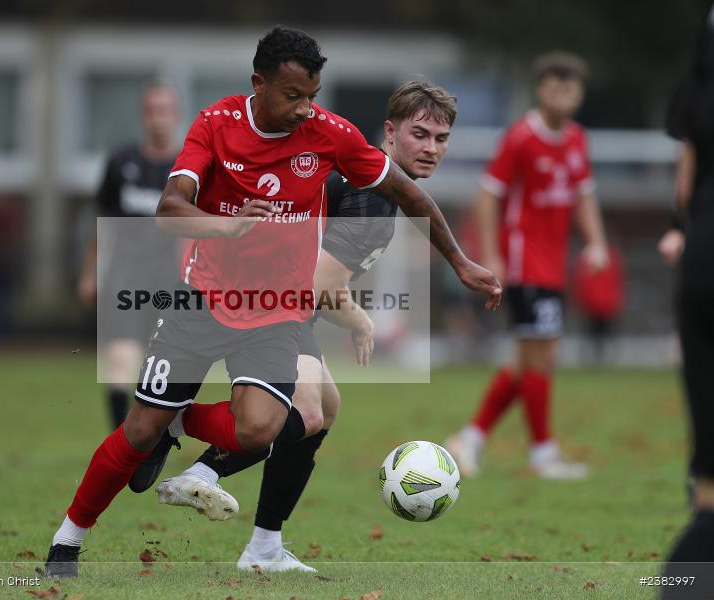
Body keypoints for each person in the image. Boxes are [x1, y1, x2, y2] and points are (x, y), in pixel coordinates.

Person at [45, 26, 501, 579]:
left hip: (276, 311)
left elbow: (407, 192)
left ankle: (204, 463)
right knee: (140, 429)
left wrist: (459, 261)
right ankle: (68, 540)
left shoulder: (330, 135)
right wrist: (225, 225)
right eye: (293, 96)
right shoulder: (216, 124)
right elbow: (170, 208)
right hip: (204, 298)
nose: (305, 109)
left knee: (266, 426)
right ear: (258, 84)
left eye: (312, 96)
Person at [153, 81, 462, 573]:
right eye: (419, 134)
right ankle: (194, 453)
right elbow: (312, 287)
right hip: (266, 306)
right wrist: (359, 317)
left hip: (270, 300)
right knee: (308, 414)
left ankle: (264, 547)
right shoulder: (372, 199)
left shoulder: (368, 184)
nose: (430, 148)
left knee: (326, 409)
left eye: (440, 139)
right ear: (390, 132)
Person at [446, 51, 609, 480]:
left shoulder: (577, 139)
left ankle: (470, 438)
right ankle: (542, 453)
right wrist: (495, 255)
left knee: (528, 359)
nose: (563, 95)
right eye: (555, 87)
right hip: (524, 263)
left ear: (580, 93)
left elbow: (585, 195)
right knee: (541, 355)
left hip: (552, 264)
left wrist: (596, 243)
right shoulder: (521, 137)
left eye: (570, 88)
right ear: (541, 91)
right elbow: (487, 194)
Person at [77, 82, 181, 430]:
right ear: (142, 116)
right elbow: (102, 224)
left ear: (175, 116)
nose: (158, 119)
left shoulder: (186, 169)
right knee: (121, 358)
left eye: (164, 110)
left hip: (169, 279)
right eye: (152, 110)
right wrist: (90, 273)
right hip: (125, 276)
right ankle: (119, 441)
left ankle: (152, 438)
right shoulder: (121, 163)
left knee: (163, 365)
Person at [662, 3, 714, 596]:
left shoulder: (700, 88)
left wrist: (688, 226)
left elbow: (685, 181)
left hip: (706, 269)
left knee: (710, 492)